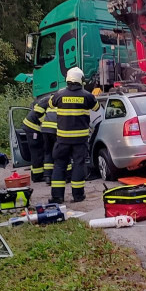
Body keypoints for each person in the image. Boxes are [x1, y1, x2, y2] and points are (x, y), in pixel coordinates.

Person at [49, 67, 96, 203]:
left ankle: (57, 197)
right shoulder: (87, 96)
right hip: (80, 140)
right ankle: (78, 196)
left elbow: (51, 104)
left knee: (59, 166)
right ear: (81, 79)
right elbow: (96, 108)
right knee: (78, 165)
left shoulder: (59, 95)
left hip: (62, 139)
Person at [23, 94, 49, 184]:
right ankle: (37, 176)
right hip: (32, 128)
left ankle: (36, 175)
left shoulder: (48, 99)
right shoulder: (48, 101)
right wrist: (44, 122)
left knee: (37, 151)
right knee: (37, 151)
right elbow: (38, 111)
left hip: (33, 128)